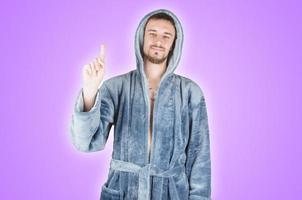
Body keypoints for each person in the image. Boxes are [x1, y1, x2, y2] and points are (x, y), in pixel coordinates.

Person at [70, 8, 211, 200]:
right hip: (123, 191)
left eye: (166, 36)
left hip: (171, 193)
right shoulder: (116, 87)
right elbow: (86, 143)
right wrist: (90, 91)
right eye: (152, 33)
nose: (159, 41)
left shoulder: (190, 92)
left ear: (174, 44)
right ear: (141, 38)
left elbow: (199, 156)